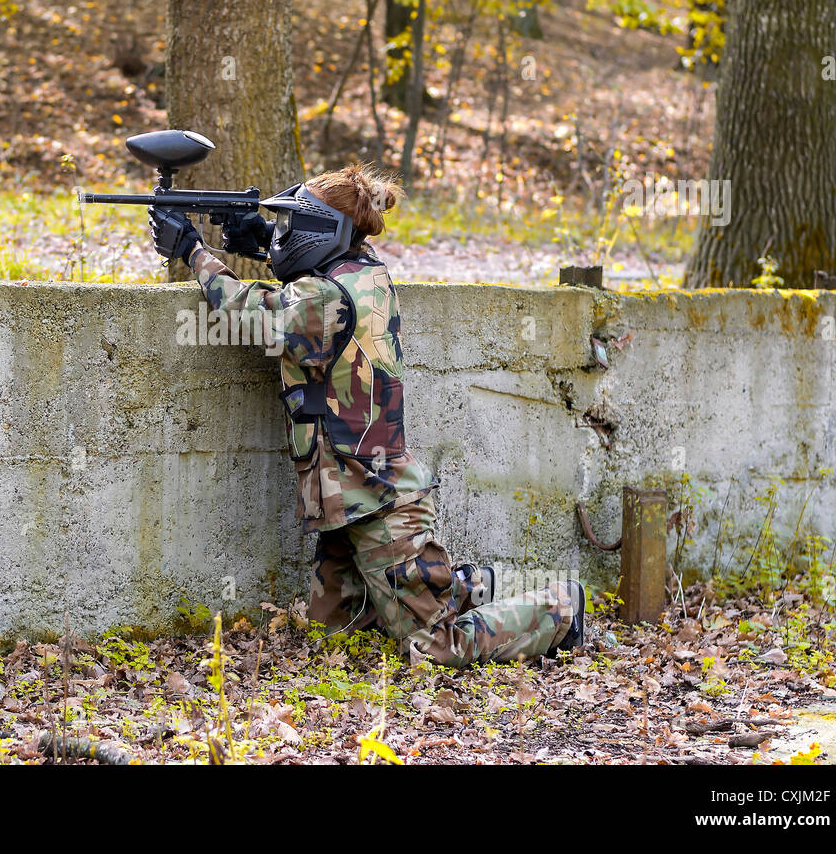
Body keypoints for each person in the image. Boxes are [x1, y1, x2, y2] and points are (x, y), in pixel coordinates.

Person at [147, 164, 586, 667]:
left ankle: (559, 609)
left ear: (323, 231)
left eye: (294, 225)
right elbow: (310, 270)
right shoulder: (365, 271)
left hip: (379, 504)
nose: (286, 234)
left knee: (435, 647)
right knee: (333, 633)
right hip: (347, 500)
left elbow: (258, 314)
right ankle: (451, 585)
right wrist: (264, 241)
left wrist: (194, 253)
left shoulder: (326, 298)